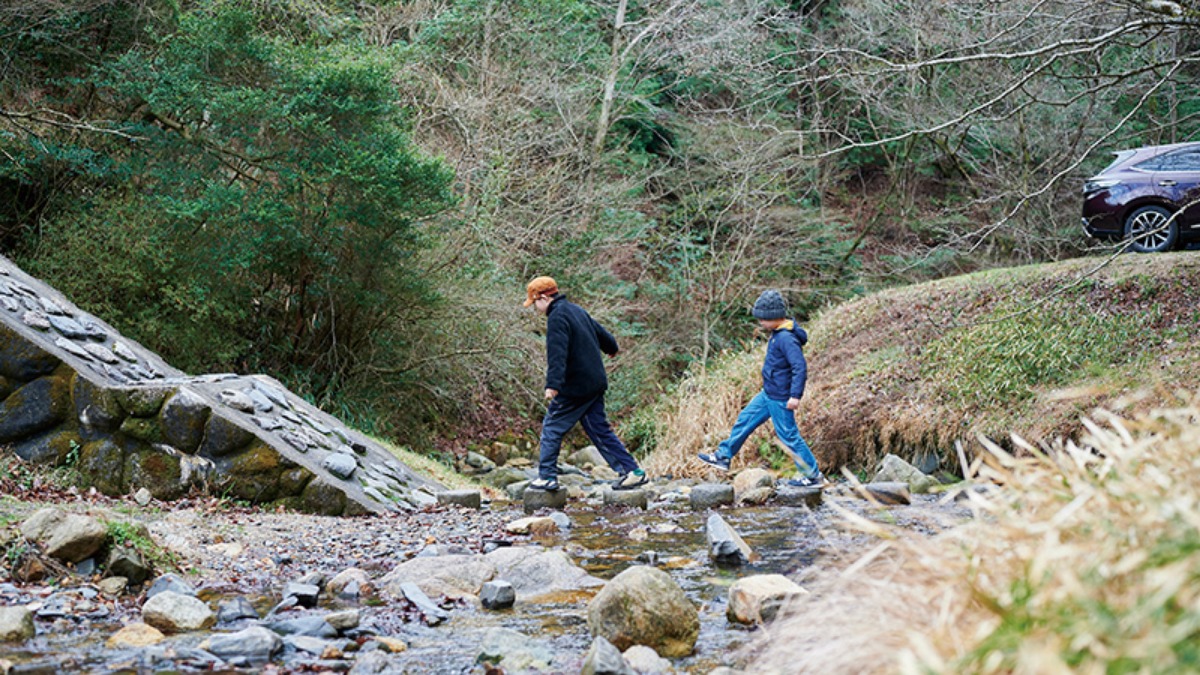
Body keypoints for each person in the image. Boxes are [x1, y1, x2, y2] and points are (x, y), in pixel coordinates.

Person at [523, 276, 648, 491]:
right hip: (595, 381)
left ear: (543, 297)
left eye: (535, 303)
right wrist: (612, 348)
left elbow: (557, 353)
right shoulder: (576, 310)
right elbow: (602, 334)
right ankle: (632, 471)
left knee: (552, 426)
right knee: (599, 429)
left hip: (576, 386)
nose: (535, 308)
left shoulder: (556, 317)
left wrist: (552, 385)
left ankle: (547, 477)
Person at [698, 289, 826, 488]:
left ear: (773, 317)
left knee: (789, 436)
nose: (760, 323)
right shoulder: (777, 333)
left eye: (762, 319)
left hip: (782, 397)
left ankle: (812, 476)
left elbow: (799, 366)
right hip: (768, 394)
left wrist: (795, 395)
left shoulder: (786, 338)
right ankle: (723, 456)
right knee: (745, 419)